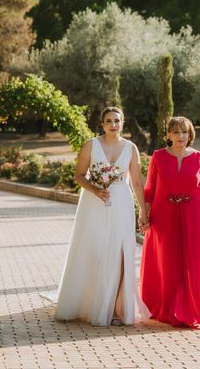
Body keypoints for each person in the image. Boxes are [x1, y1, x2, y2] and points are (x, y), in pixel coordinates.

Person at [54, 107, 150, 326]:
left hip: (122, 204)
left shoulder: (131, 148)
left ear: (122, 122)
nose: (113, 125)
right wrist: (96, 190)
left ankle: (116, 308)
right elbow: (78, 176)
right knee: (94, 249)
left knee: (121, 253)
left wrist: (143, 211)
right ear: (102, 124)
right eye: (108, 121)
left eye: (116, 120)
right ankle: (91, 302)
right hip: (94, 203)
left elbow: (136, 182)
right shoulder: (91, 145)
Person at [140, 116, 200, 328]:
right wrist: (143, 215)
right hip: (164, 216)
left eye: (185, 132)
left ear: (190, 135)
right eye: (177, 132)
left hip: (193, 215)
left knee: (192, 261)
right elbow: (149, 189)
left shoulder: (199, 157)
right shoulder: (158, 157)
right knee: (168, 262)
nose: (181, 136)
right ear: (168, 135)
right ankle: (169, 308)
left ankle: (190, 309)